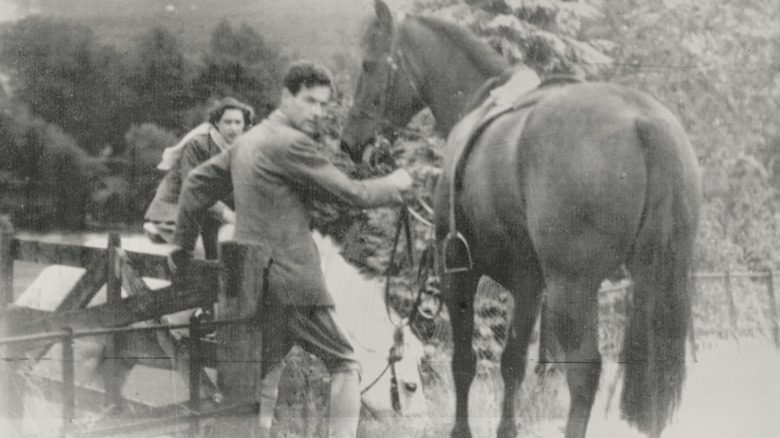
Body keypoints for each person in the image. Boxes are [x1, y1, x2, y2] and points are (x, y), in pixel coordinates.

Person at [168, 60, 414, 438]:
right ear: (287, 96)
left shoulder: (248, 141)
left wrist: (181, 251)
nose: (317, 112)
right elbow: (353, 193)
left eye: (323, 105)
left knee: (265, 371)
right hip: (293, 281)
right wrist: (397, 182)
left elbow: (195, 185)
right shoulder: (291, 143)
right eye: (310, 101)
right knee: (346, 364)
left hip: (252, 285)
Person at [143, 96, 255, 259]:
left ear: (244, 125)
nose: (233, 128)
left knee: (229, 253)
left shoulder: (241, 148)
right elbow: (195, 190)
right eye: (228, 122)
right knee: (195, 257)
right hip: (175, 209)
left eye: (238, 123)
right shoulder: (198, 144)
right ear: (216, 123)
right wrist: (231, 216)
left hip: (208, 215)